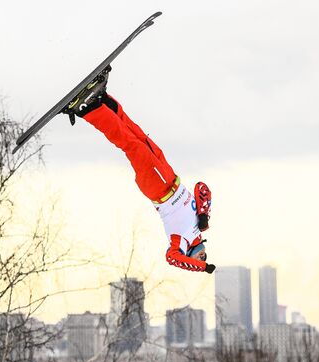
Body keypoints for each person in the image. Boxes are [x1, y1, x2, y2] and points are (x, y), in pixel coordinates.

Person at [64, 66, 216, 274]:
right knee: (138, 135)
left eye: (201, 258)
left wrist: (203, 267)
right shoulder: (200, 225)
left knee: (130, 144)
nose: (203, 256)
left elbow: (172, 258)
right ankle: (102, 99)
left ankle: (88, 109)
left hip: (160, 188)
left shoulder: (180, 241)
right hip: (169, 176)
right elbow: (202, 187)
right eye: (205, 256)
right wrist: (203, 213)